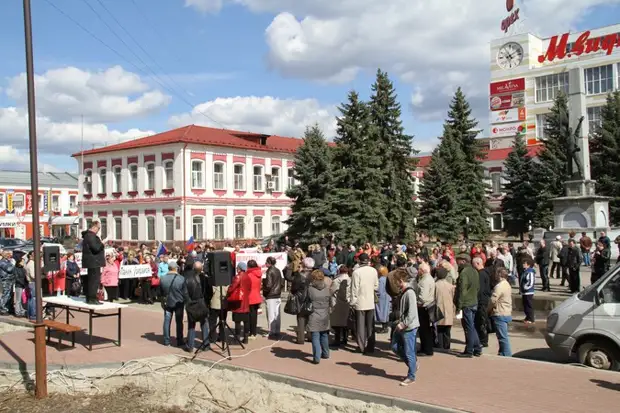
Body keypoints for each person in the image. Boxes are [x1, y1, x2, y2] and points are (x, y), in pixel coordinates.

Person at [391, 269, 420, 386]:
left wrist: (403, 324)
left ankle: (411, 375)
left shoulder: (409, 293)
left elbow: (412, 312)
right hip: (401, 324)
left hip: (409, 327)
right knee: (394, 346)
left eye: (396, 281)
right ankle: (413, 365)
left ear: (401, 280)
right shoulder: (403, 292)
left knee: (409, 351)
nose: (395, 284)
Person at [347, 253, 379, 354]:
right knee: (370, 326)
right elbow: (376, 286)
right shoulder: (373, 270)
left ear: (359, 261)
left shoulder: (357, 272)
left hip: (360, 302)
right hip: (370, 301)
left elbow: (354, 289)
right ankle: (371, 346)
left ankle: (361, 346)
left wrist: (352, 302)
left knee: (360, 326)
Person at [454, 254, 481, 358]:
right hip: (473, 301)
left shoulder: (464, 273)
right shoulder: (474, 271)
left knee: (468, 327)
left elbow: (462, 290)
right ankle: (477, 348)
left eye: (458, 261)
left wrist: (459, 306)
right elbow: (478, 288)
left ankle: (469, 350)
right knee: (471, 326)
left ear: (463, 261)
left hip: (466, 304)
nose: (457, 263)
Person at [159, 261, 187, 347]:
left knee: (167, 321)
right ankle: (179, 340)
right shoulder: (181, 278)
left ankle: (166, 340)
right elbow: (185, 292)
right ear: (176, 268)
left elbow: (160, 292)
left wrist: (162, 300)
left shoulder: (163, 278)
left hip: (167, 302)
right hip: (179, 302)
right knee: (179, 322)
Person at [184, 261, 210, 352]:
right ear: (201, 268)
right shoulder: (205, 279)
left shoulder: (188, 279)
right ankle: (206, 345)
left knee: (192, 325)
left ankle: (190, 346)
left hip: (193, 303)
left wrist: (188, 303)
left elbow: (185, 293)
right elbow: (209, 292)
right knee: (204, 323)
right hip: (201, 302)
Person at [307, 270, 331, 364]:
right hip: (325, 313)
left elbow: (307, 300)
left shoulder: (310, 289)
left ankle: (316, 357)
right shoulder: (327, 288)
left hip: (314, 313)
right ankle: (326, 353)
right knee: (324, 334)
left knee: (315, 336)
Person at [81, 220, 107, 305]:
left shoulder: (88, 236)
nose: (99, 230)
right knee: (94, 281)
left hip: (92, 261)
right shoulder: (91, 236)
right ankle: (92, 298)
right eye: (98, 228)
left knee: (92, 280)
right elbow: (95, 248)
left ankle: (90, 298)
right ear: (94, 227)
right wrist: (102, 243)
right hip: (94, 261)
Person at [489, 267, 513, 356]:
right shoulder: (507, 284)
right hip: (506, 311)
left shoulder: (499, 286)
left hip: (500, 312)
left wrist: (488, 309)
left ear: (499, 275)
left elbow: (493, 300)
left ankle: (506, 354)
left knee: (502, 337)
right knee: (502, 335)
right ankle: (502, 352)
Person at [227, 262, 251, 344]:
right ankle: (246, 338)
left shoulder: (238, 276)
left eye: (237, 267)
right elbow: (249, 288)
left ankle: (237, 338)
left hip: (238, 301)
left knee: (237, 321)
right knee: (246, 321)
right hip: (246, 301)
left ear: (240, 268)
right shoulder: (248, 276)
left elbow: (231, 288)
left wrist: (228, 291)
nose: (236, 269)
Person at [416, 262, 435, 356]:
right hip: (427, 305)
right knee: (425, 329)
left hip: (424, 307)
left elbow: (422, 297)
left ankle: (427, 349)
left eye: (418, 269)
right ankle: (425, 348)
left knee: (424, 329)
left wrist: (417, 303)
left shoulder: (425, 280)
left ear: (422, 270)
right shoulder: (427, 278)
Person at [434, 266, 455, 350]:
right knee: (447, 330)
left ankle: (440, 345)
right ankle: (447, 346)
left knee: (439, 329)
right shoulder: (450, 286)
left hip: (439, 309)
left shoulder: (435, 285)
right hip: (449, 309)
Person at [472, 257, 491, 348]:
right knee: (481, 321)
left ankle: (483, 340)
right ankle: (482, 339)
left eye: (474, 264)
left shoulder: (481, 274)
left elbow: (480, 289)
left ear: (478, 264)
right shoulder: (485, 273)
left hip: (481, 301)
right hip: (484, 300)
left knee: (481, 321)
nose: (473, 266)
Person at [330, 266, 351, 347]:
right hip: (347, 303)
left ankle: (337, 340)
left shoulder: (336, 281)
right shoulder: (350, 280)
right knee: (345, 322)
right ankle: (345, 339)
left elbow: (331, 291)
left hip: (337, 303)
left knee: (337, 323)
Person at [262, 256, 282, 339]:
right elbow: (282, 282)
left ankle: (271, 332)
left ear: (269, 263)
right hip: (277, 294)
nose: (265, 263)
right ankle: (277, 330)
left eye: (266, 262)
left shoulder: (269, 271)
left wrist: (264, 290)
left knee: (270, 314)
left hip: (271, 295)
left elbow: (268, 285)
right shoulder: (277, 270)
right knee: (277, 314)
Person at [246, 260, 263, 340]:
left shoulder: (249, 274)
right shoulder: (258, 273)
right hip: (256, 295)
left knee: (249, 316)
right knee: (254, 316)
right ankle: (254, 332)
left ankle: (250, 332)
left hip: (250, 297)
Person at [375, 265, 391, 334]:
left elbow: (379, 291)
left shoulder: (381, 280)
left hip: (382, 298)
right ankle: (385, 327)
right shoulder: (387, 278)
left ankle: (384, 327)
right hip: (387, 297)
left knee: (382, 313)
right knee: (386, 313)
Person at [520, 256, 536, 324]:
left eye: (524, 263)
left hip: (528, 292)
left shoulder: (530, 272)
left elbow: (531, 282)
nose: (523, 264)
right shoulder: (525, 271)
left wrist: (525, 288)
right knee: (525, 305)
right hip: (524, 292)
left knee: (529, 305)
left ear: (528, 265)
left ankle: (531, 319)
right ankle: (527, 317)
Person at [12, 251, 28, 317]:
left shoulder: (23, 269)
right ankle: (17, 312)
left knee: (21, 299)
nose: (23, 262)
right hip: (19, 285)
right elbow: (16, 278)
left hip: (23, 285)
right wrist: (22, 283)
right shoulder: (15, 269)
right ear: (19, 262)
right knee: (18, 300)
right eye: (22, 261)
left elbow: (25, 276)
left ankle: (21, 310)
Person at [0, 251, 16, 315]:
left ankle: (8, 308)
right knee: (5, 295)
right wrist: (15, 265)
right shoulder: (2, 262)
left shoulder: (8, 261)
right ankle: (2, 309)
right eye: (8, 254)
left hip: (10, 280)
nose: (10, 255)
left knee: (10, 295)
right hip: (5, 280)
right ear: (5, 255)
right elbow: (9, 269)